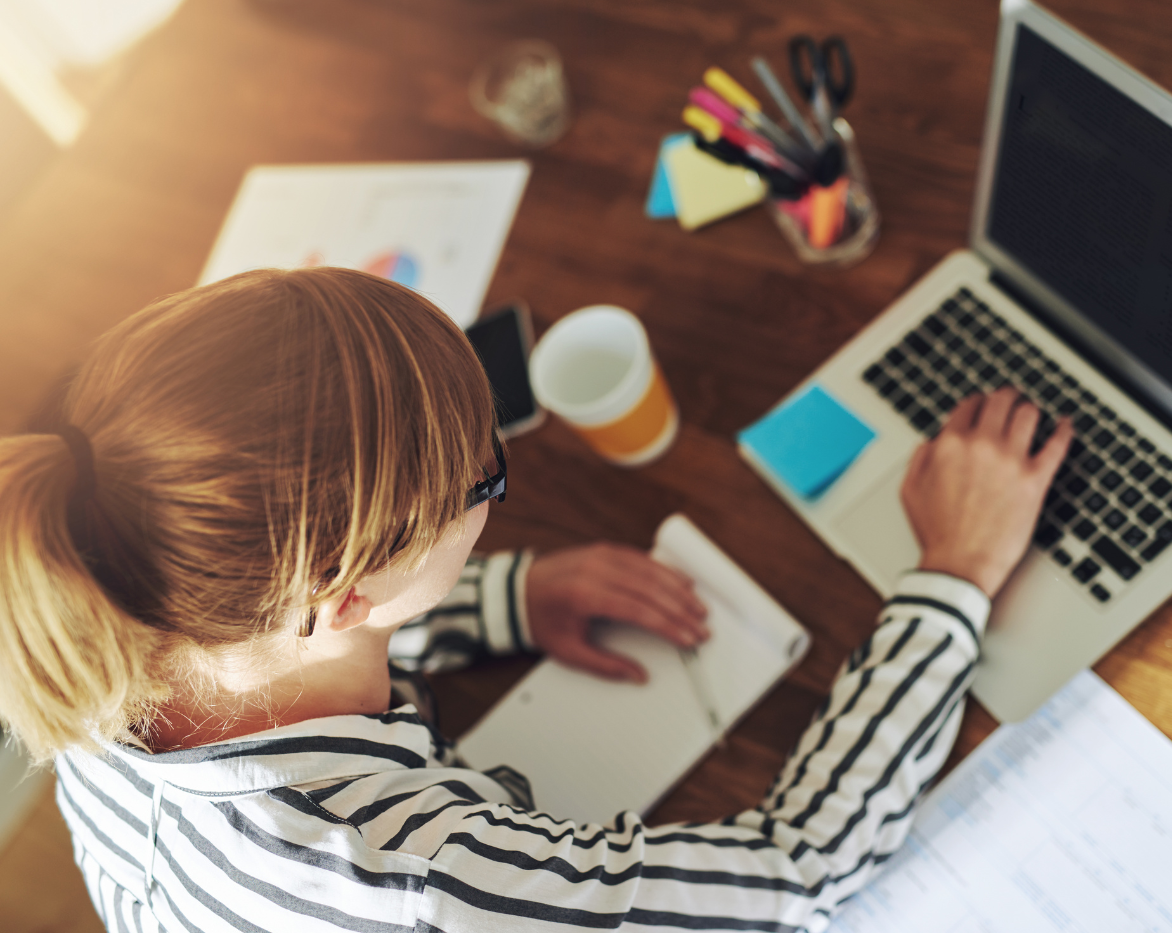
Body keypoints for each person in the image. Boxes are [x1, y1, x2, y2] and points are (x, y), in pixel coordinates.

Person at [0, 267, 1071, 933]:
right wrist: (955, 574)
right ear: (345, 598)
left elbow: (289, 645)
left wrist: (508, 600)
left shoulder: (95, 619)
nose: (493, 497)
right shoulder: (424, 886)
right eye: (486, 484)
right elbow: (795, 874)